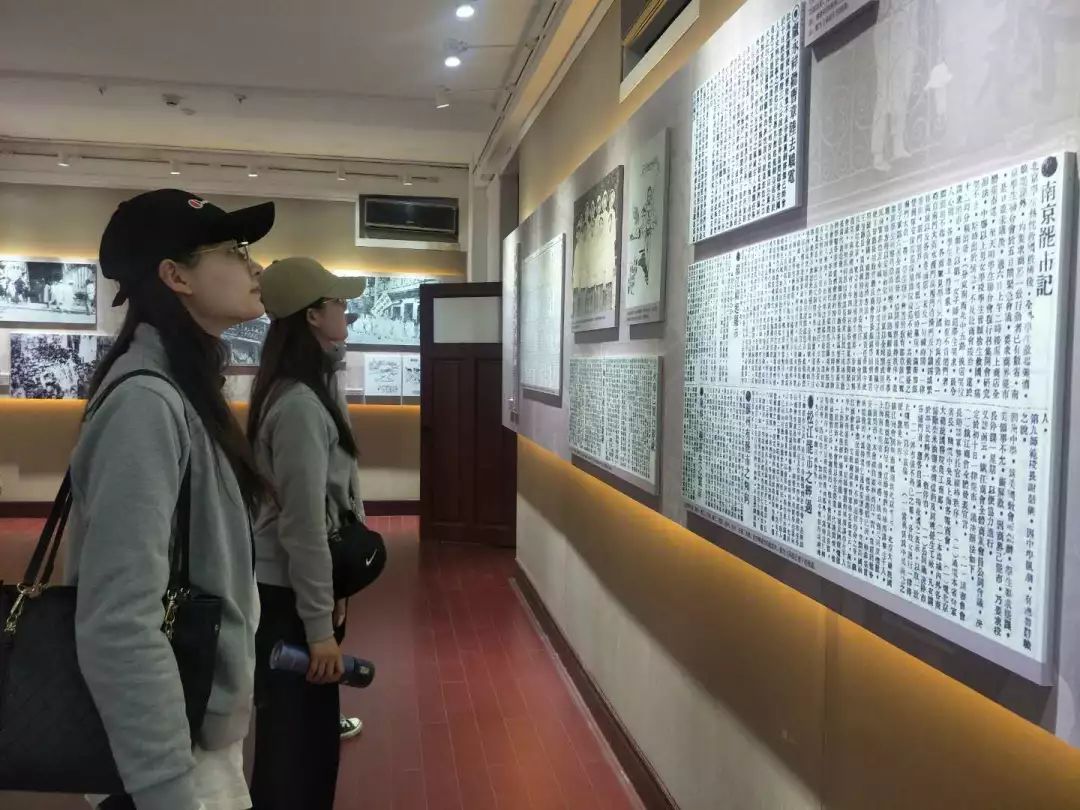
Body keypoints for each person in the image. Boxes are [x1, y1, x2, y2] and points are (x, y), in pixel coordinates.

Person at [63, 189, 275, 810]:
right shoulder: (146, 402)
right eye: (235, 251)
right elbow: (119, 618)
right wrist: (166, 788)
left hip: (192, 728)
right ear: (175, 276)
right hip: (169, 756)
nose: (255, 266)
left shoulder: (183, 388)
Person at [247, 256, 368, 810]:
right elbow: (303, 525)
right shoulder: (298, 404)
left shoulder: (310, 386)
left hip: (299, 592)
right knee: (295, 754)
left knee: (308, 742)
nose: (346, 312)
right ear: (313, 315)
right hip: (289, 601)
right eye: (338, 303)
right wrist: (319, 628)